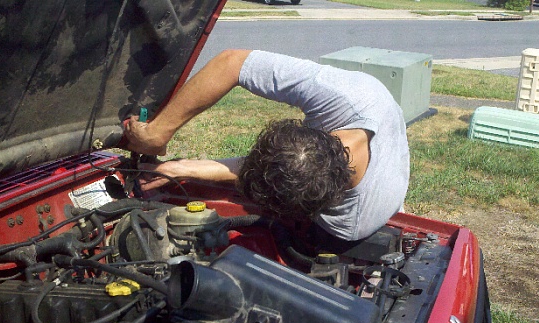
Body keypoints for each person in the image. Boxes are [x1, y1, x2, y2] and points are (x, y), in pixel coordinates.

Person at [124, 49, 409, 241]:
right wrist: (159, 139)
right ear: (308, 134)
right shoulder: (351, 94)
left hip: (351, 222)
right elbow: (233, 62)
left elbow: (269, 178)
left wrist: (188, 169)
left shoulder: (349, 222)